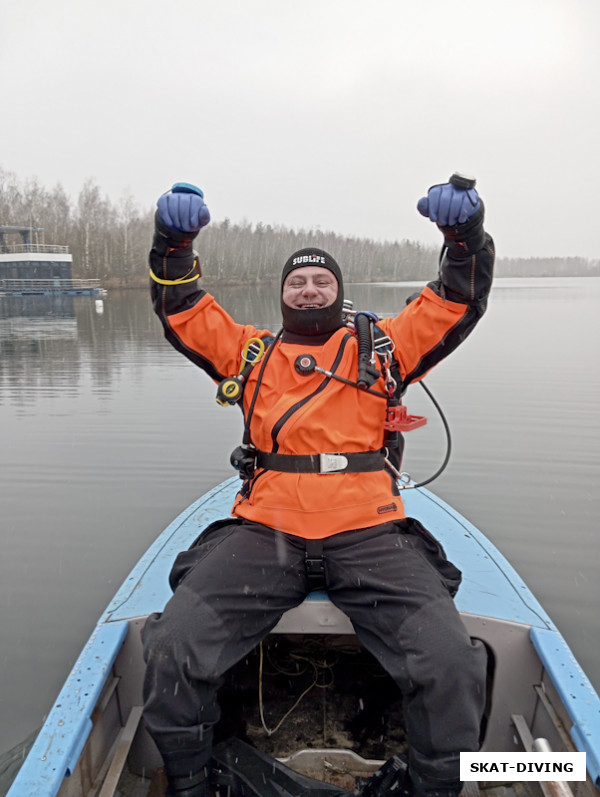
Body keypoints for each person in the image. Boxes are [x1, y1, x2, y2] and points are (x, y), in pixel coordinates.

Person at [142, 177, 495, 797]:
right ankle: (193, 782)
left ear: (339, 291)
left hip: (369, 530)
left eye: (321, 281)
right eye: (296, 281)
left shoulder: (383, 347)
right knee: (172, 649)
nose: (309, 288)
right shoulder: (250, 353)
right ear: (282, 295)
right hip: (265, 529)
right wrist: (173, 244)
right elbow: (183, 309)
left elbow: (457, 300)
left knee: (450, 662)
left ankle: (434, 786)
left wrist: (464, 238)